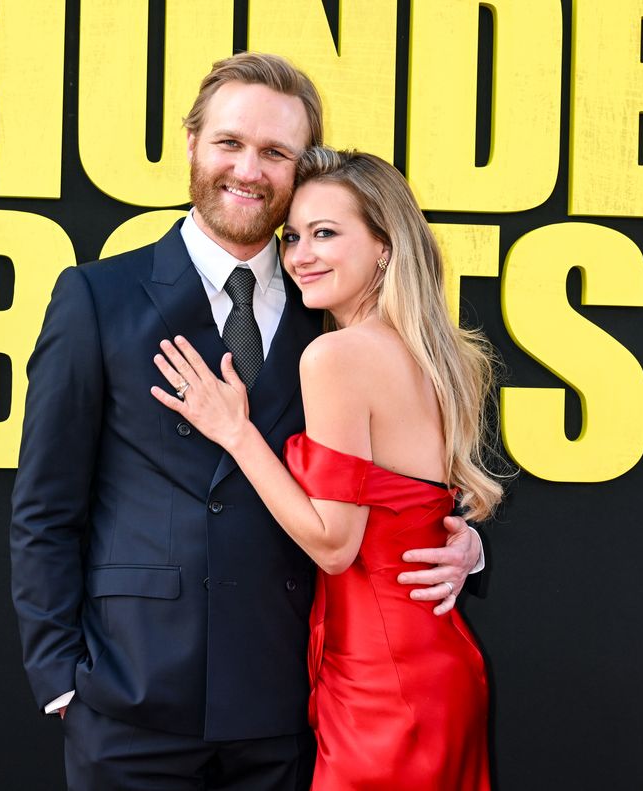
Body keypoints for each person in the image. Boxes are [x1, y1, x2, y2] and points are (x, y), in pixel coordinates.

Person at [10, 53, 484, 790]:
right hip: (130, 701)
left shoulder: (331, 305)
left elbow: (399, 476)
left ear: (302, 171)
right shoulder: (97, 298)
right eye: (230, 143)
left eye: (275, 153)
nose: (248, 169)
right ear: (193, 144)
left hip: (291, 706)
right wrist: (60, 678)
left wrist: (465, 547)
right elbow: (46, 504)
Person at [150, 147, 503, 789]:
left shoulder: (335, 356)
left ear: (385, 246)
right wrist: (470, 547)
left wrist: (237, 432)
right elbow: (420, 513)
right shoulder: (442, 357)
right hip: (434, 663)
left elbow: (335, 546)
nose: (300, 255)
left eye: (326, 234)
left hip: (383, 681)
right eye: (292, 237)